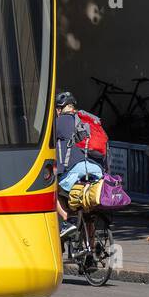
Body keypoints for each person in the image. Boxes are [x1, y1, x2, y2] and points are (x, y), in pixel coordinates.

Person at [55, 91, 101, 240]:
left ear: (59, 109)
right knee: (87, 208)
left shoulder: (59, 122)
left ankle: (68, 220)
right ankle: (91, 250)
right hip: (95, 168)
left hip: (76, 169)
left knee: (52, 191)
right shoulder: (85, 120)